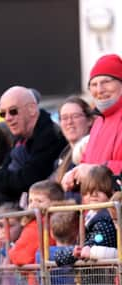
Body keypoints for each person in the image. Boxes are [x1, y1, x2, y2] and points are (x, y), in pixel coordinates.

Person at [0, 86, 67, 205]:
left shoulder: (51, 135)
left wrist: (11, 180)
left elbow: (31, 179)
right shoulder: (20, 138)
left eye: (13, 111)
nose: (7, 118)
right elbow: (0, 181)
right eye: (3, 114)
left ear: (32, 109)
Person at [62, 54, 122, 191]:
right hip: (96, 209)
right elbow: (87, 164)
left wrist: (96, 170)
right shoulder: (98, 122)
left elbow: (93, 168)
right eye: (94, 84)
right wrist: (74, 175)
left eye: (106, 82)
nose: (100, 90)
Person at [53, 96, 94, 202]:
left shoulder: (94, 150)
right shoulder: (61, 158)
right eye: (64, 118)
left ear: (89, 120)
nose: (69, 122)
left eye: (75, 116)